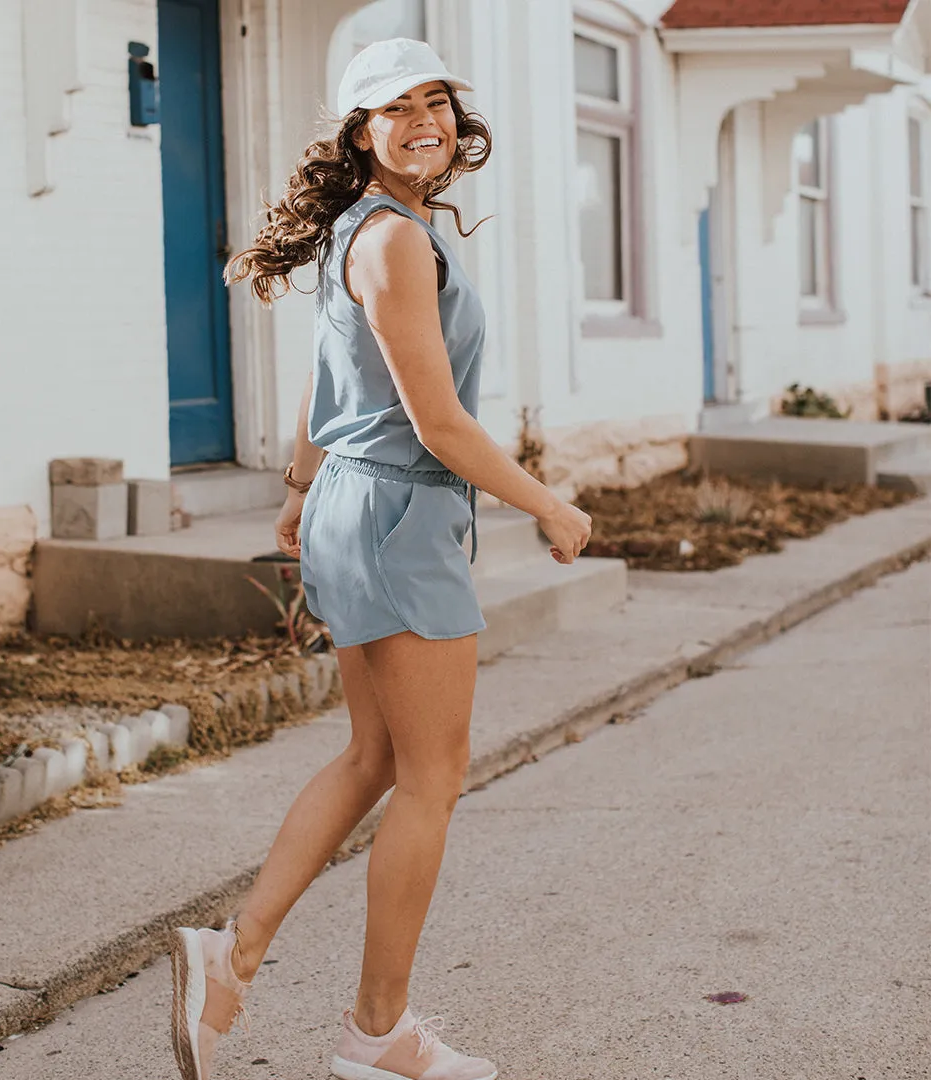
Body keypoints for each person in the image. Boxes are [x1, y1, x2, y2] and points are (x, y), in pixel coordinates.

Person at [169, 37, 593, 1080]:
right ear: (358, 133)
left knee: (374, 759)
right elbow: (437, 420)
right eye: (393, 106)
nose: (423, 120)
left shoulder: (362, 231)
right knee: (431, 777)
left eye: (436, 100)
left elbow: (329, 383)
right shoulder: (395, 240)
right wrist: (550, 505)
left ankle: (234, 956)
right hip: (400, 515)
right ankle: (375, 1034)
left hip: (358, 509)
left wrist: (302, 490)